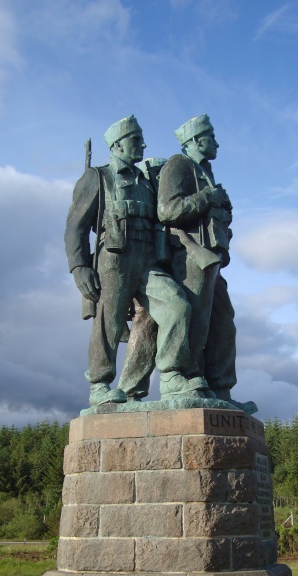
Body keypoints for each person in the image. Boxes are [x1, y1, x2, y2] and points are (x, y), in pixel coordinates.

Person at [64, 116, 208, 406]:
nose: (142, 144)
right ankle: (99, 385)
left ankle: (170, 374)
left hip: (148, 259)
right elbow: (75, 227)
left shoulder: (147, 180)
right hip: (115, 259)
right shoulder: (98, 176)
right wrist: (79, 267)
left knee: (177, 306)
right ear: (117, 144)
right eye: (135, 139)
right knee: (110, 322)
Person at [157, 114, 256, 413]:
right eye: (211, 137)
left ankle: (220, 388)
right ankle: (184, 378)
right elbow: (167, 210)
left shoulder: (206, 172)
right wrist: (206, 198)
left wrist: (223, 212)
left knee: (223, 324)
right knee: (195, 320)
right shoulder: (179, 165)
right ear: (196, 140)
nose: (216, 143)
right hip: (189, 254)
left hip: (212, 259)